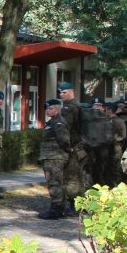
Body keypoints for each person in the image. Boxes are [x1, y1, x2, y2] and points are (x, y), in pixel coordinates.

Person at [38, 99, 71, 219]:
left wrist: (66, 151)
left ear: (57, 109)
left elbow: (64, 140)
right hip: (51, 156)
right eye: (46, 109)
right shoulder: (52, 122)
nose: (47, 111)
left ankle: (56, 209)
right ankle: (59, 208)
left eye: (50, 108)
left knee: (54, 182)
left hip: (55, 157)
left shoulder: (58, 122)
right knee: (55, 182)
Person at [58, 82, 88, 212]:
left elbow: (65, 129)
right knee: (79, 177)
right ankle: (81, 204)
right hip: (80, 147)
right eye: (60, 92)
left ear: (71, 93)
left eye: (64, 92)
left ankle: (73, 205)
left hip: (72, 148)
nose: (61, 95)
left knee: (71, 177)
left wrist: (66, 146)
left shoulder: (68, 108)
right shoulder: (78, 106)